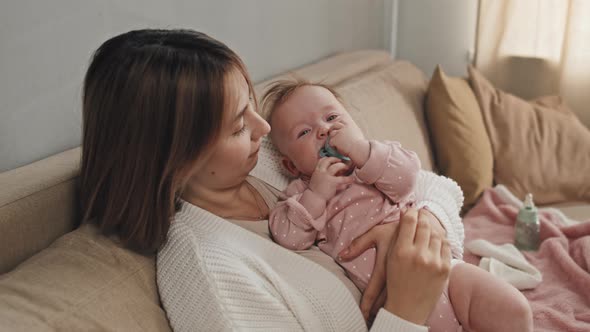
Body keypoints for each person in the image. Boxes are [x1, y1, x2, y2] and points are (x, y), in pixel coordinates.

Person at [77, 29, 527, 331]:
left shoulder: (267, 159)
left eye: (252, 104)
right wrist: (405, 310)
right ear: (172, 161)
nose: (264, 128)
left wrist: (425, 226)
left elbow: (434, 184)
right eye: (238, 126)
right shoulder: (209, 276)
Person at [263, 79, 534, 331]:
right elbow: (289, 237)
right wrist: (317, 194)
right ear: (291, 165)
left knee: (512, 308)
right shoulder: (300, 195)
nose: (324, 130)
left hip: (443, 271)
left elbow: (408, 178)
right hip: (392, 300)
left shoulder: (375, 161)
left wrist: (362, 151)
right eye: (304, 132)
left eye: (332, 118)